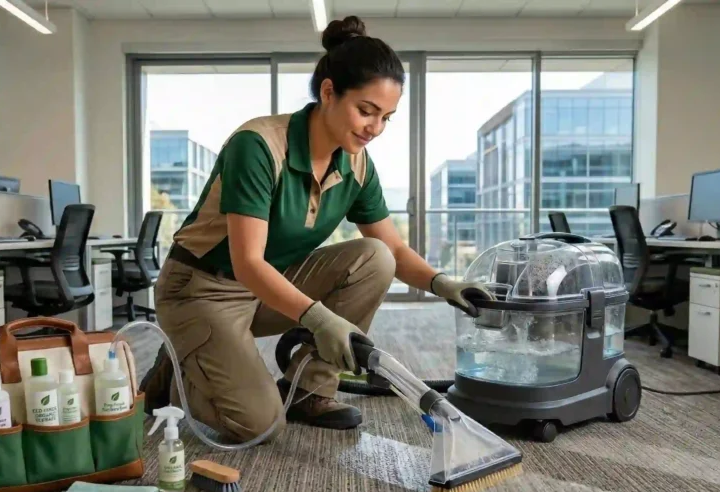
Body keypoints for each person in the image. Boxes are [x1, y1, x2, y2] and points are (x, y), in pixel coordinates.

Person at [143, 15, 490, 443]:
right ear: (328, 92)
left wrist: (443, 284)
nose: (375, 128)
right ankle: (178, 362)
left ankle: (308, 390)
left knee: (373, 257)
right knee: (258, 426)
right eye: (366, 111)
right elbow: (248, 262)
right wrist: (320, 318)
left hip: (268, 286)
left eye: (386, 117)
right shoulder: (258, 146)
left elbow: (393, 249)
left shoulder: (356, 163)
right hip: (201, 289)